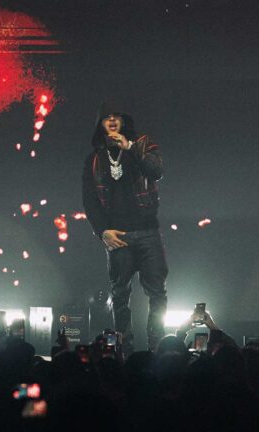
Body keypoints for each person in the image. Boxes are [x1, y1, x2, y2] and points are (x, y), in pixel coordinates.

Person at [83, 102, 168, 355]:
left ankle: (158, 347)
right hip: (117, 235)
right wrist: (102, 232)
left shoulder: (142, 145)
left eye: (116, 117)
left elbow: (156, 170)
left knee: (157, 293)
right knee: (119, 295)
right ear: (100, 124)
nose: (111, 121)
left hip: (148, 231)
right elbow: (89, 200)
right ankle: (124, 350)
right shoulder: (95, 159)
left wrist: (129, 147)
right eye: (106, 118)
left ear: (123, 122)